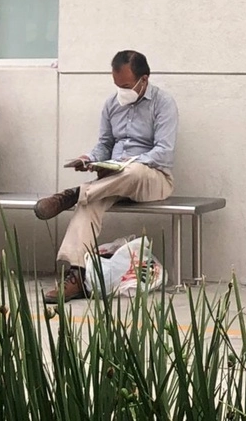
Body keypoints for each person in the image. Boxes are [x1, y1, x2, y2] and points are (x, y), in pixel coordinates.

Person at [36, 50, 178, 303]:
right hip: (114, 180)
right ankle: (77, 276)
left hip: (152, 178)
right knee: (88, 203)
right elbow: (104, 144)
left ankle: (74, 193)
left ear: (144, 79)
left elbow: (164, 152)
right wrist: (90, 159)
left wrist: (126, 163)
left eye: (126, 86)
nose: (121, 91)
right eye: (117, 85)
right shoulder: (112, 104)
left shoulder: (163, 103)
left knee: (132, 171)